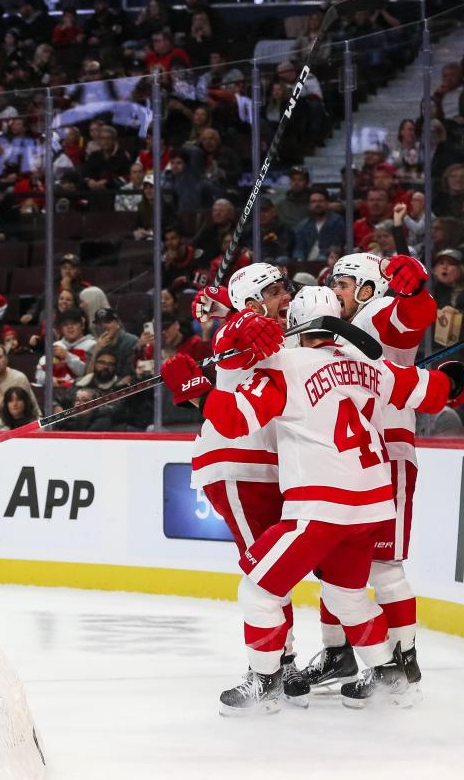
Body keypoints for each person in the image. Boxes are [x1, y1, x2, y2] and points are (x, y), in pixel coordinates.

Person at [160, 286, 464, 712]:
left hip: (320, 508)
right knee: (348, 598)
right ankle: (390, 678)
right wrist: (455, 380)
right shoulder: (371, 365)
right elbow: (435, 392)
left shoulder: (285, 365)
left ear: (294, 326)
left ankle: (265, 687)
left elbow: (233, 421)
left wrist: (196, 390)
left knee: (259, 592)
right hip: (372, 507)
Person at [315, 251, 437, 688]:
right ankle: (337, 653)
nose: (335, 291)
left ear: (369, 290)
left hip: (388, 456)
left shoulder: (380, 312)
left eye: (343, 284)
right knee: (333, 562)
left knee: (383, 566)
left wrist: (416, 292)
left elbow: (409, 319)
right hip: (343, 463)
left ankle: (403, 663)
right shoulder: (331, 330)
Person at [185, 263, 305, 705]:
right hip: (236, 464)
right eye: (274, 292)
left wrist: (223, 305)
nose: (286, 298)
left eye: (284, 289)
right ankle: (272, 671)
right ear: (254, 300)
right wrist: (237, 318)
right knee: (263, 574)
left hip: (270, 466)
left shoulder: (275, 329)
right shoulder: (241, 330)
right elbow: (234, 341)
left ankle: (283, 662)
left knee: (274, 572)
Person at [34, 308, 96, 387]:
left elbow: (86, 374)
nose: (69, 327)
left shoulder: (92, 345)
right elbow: (39, 372)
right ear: (61, 329)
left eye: (74, 323)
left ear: (82, 325)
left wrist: (67, 356)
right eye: (65, 324)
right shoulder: (57, 345)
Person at [293, 187, 346, 261]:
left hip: (328, 262)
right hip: (306, 263)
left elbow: (336, 246)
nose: (317, 204)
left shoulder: (337, 221)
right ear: (309, 205)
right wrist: (299, 258)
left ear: (327, 203)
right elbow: (299, 247)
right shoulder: (303, 225)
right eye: (313, 202)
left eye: (320, 201)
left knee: (322, 258)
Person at [87, 308, 138, 381]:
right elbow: (88, 377)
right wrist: (96, 351)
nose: (103, 326)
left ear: (118, 324)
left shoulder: (131, 342)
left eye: (107, 322)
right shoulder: (94, 346)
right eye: (99, 323)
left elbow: (131, 374)